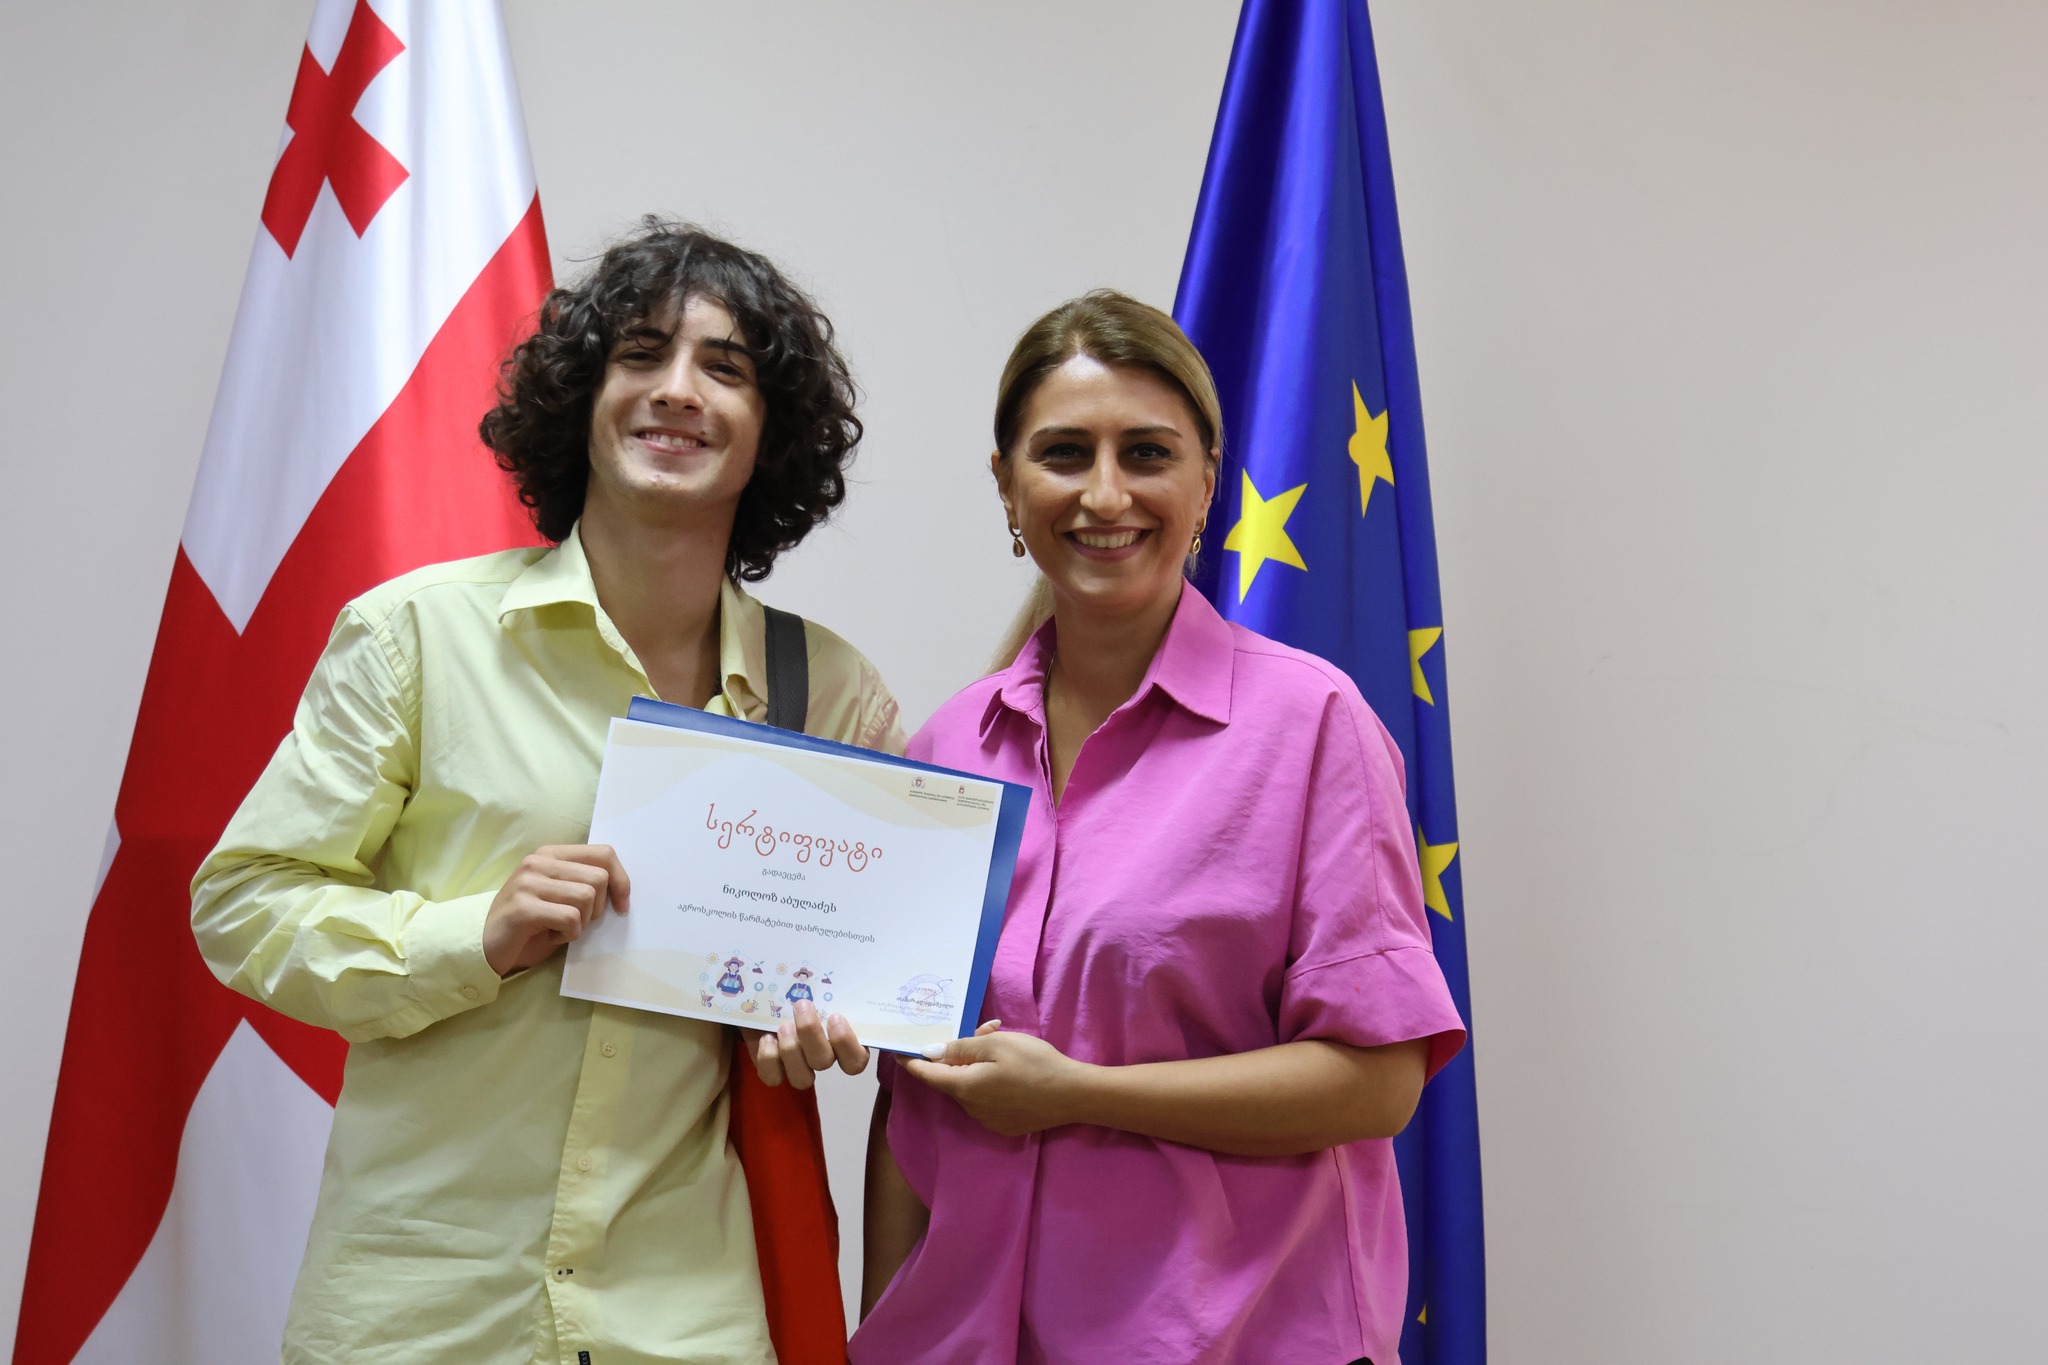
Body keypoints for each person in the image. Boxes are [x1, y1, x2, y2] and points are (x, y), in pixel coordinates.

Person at [192, 218, 899, 1365]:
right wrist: (475, 936)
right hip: (425, 1316)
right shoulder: (415, 637)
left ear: (771, 432)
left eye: (724, 369)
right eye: (641, 355)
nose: (677, 391)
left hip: (692, 1320)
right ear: (581, 399)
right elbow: (242, 903)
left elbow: (877, 968)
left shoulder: (830, 691)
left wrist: (825, 1016)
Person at [853, 291, 1467, 1365]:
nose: (1105, 493)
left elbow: (1378, 1083)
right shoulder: (949, 746)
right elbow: (912, 1096)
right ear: (1006, 486)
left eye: (1145, 453)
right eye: (1062, 453)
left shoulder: (1313, 725)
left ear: (1206, 484)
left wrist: (1079, 1095)